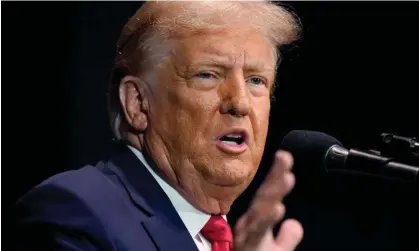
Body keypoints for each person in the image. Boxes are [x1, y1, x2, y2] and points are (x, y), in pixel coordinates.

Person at [14, 1, 303, 251]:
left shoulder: (244, 237)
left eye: (256, 80)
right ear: (137, 103)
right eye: (207, 75)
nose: (240, 103)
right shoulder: (74, 213)